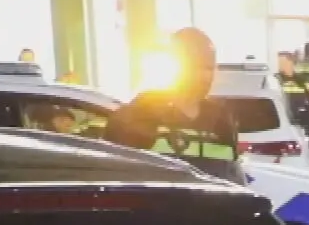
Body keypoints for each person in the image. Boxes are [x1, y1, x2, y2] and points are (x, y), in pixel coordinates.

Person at [102, 27, 244, 184]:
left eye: (209, 68)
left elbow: (233, 178)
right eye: (196, 66)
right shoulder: (140, 112)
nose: (205, 76)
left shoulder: (222, 120)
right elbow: (117, 175)